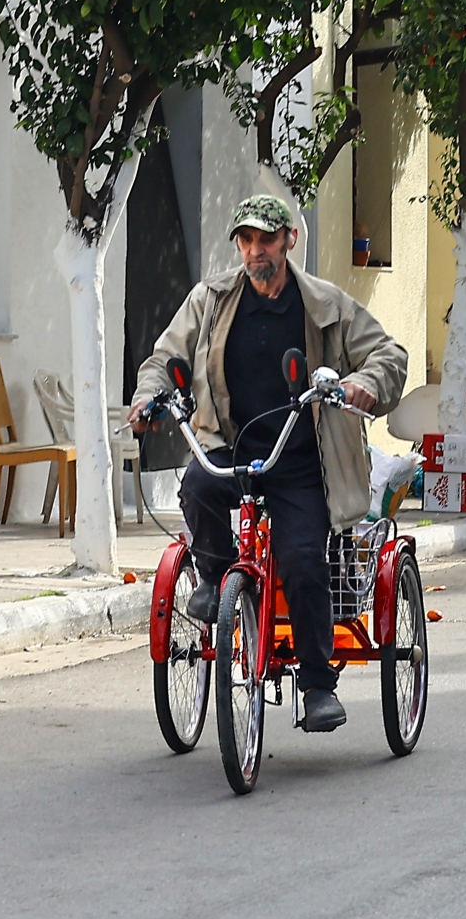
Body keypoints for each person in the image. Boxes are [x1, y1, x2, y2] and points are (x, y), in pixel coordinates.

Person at [131, 195, 408, 734]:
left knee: (303, 561)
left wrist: (363, 385)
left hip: (299, 456)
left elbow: (389, 355)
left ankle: (317, 684)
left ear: (289, 241)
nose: (255, 251)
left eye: (266, 240)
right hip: (230, 445)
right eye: (246, 240)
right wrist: (149, 397)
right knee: (196, 488)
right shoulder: (211, 298)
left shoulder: (325, 304)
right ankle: (214, 578)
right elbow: (165, 358)